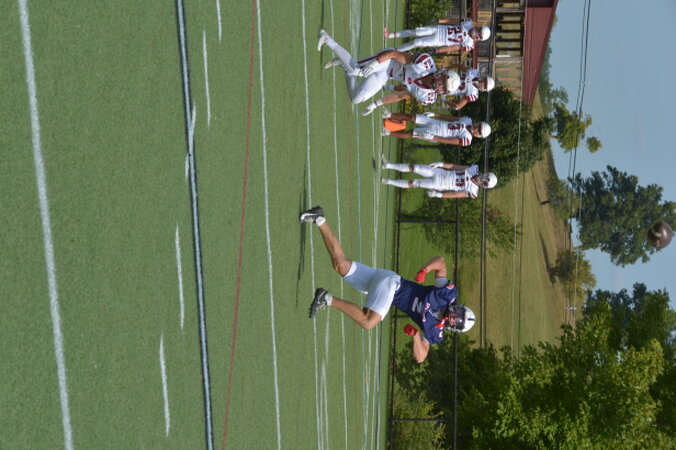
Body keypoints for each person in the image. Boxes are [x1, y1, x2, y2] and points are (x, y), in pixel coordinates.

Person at [299, 206, 475, 362]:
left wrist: (415, 336)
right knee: (368, 322)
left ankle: (319, 219)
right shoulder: (447, 296)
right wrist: (425, 270)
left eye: (458, 320)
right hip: (393, 285)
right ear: (459, 307)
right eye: (459, 313)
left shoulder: (436, 333)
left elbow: (421, 357)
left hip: (386, 286)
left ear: (455, 328)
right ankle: (326, 298)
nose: (455, 316)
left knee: (340, 265)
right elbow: (441, 263)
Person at [317, 29, 458, 115]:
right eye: (443, 83)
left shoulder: (428, 97)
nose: (440, 87)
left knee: (356, 98)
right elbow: (394, 54)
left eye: (444, 89)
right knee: (356, 69)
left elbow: (401, 96)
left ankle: (344, 67)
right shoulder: (424, 63)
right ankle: (327, 39)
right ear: (442, 75)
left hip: (386, 75)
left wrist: (375, 104)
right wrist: (374, 64)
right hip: (388, 60)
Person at [380, 157, 497, 199]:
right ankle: (388, 165)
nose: (483, 177)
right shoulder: (473, 169)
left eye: (486, 181)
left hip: (439, 185)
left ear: (485, 186)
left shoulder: (473, 191)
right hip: (439, 172)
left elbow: (455, 195)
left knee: (414, 182)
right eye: (486, 176)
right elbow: (454, 167)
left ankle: (389, 181)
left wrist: (439, 195)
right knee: (414, 167)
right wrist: (441, 164)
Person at [381, 109, 491, 146]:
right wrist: (435, 114)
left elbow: (448, 141)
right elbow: (451, 118)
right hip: (435, 122)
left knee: (411, 133)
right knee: (411, 117)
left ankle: (388, 132)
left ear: (478, 136)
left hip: (436, 133)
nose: (476, 128)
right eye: (479, 126)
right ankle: (389, 114)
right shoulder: (468, 120)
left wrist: (433, 138)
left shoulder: (467, 140)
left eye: (479, 131)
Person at [384, 19, 490, 54]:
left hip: (438, 40)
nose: (477, 34)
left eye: (479, 36)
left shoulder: (469, 44)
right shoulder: (468, 23)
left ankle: (395, 51)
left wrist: (438, 50)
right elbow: (453, 21)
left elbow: (453, 47)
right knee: (416, 32)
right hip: (438, 29)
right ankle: (391, 35)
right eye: (479, 31)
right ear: (479, 27)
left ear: (479, 39)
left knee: (416, 43)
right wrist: (440, 20)